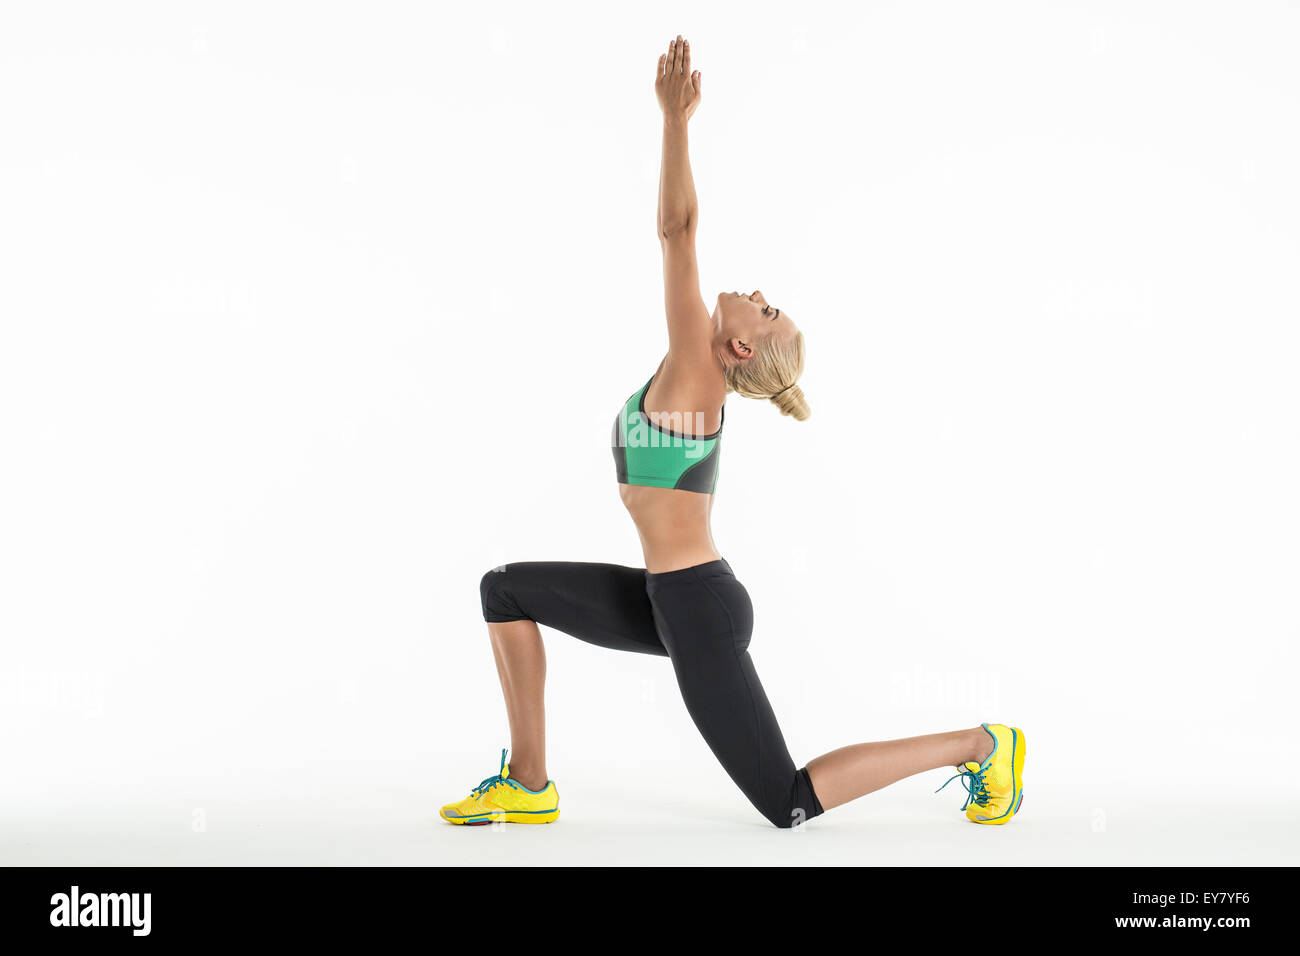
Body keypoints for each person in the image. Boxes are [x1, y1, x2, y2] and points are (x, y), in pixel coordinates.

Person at [440, 35, 1025, 829]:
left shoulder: (696, 367)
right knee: (503, 589)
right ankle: (531, 783)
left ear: (742, 346)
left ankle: (980, 745)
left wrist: (674, 122)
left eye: (767, 306)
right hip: (669, 596)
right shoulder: (690, 372)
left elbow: (677, 232)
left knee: (784, 802)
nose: (754, 292)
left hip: (696, 607)